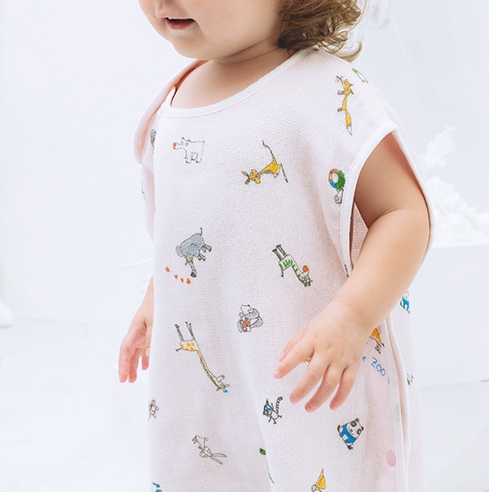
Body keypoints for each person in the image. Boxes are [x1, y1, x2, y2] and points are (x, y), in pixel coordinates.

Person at [118, 0, 432, 490]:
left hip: (309, 369)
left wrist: (352, 315)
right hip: (210, 386)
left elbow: (404, 213)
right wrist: (157, 297)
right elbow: (179, 232)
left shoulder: (327, 94)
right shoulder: (171, 106)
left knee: (313, 464)